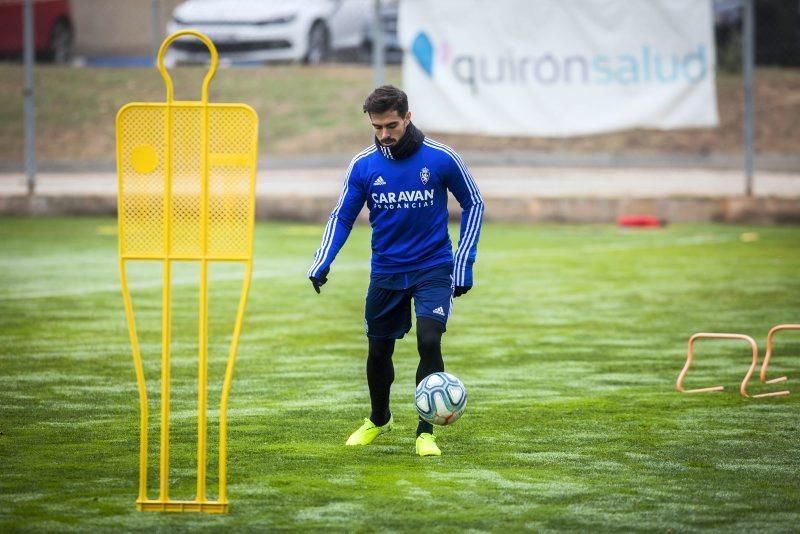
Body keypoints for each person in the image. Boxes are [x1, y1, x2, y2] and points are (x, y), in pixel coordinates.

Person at [307, 85, 484, 457]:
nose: (385, 134)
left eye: (392, 125)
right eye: (377, 127)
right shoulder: (363, 165)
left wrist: (463, 262)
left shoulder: (441, 158)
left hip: (433, 267)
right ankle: (379, 418)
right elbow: (342, 215)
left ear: (408, 117)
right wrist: (323, 260)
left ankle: (426, 432)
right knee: (378, 352)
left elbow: (474, 203)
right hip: (387, 270)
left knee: (429, 341)